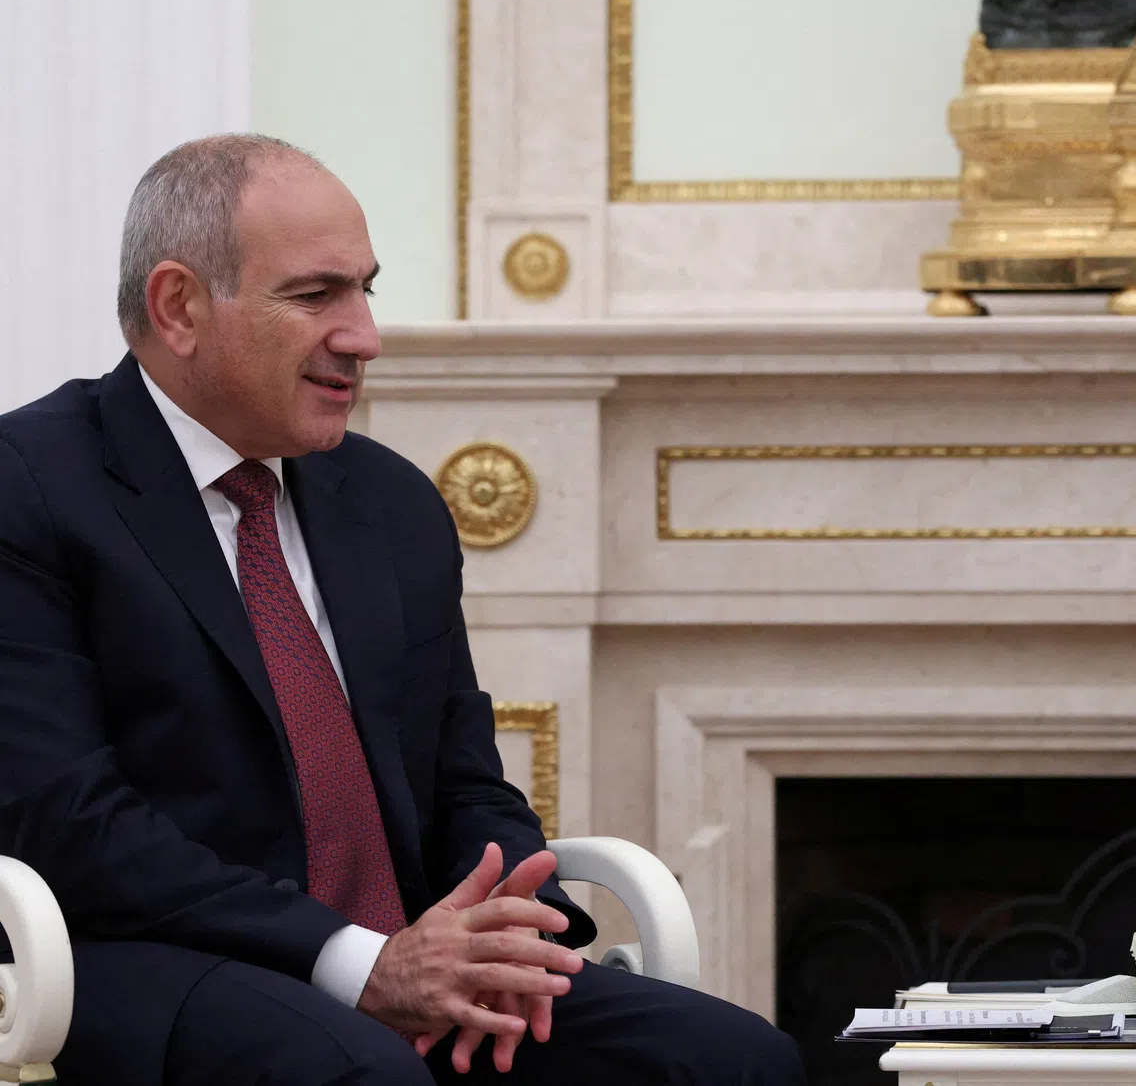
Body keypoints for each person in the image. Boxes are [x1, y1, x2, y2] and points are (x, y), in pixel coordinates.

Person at [0, 134, 805, 1086]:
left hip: (410, 956)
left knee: (730, 1060)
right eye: (315, 296)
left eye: (365, 290)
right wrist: (357, 962)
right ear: (179, 306)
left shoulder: (390, 503)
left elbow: (463, 781)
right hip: (152, 961)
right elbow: (70, 823)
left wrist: (505, 927)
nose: (363, 335)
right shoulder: (32, 487)